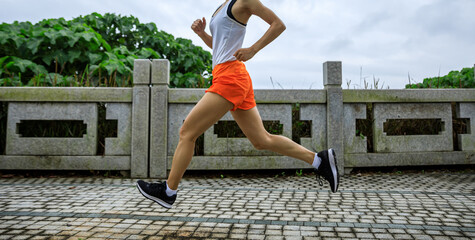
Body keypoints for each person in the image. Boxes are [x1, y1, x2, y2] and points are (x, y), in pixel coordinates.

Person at [137, 0, 339, 209]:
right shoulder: (222, 6)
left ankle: (168, 192)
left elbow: (278, 24)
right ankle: (319, 161)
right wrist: (201, 34)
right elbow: (220, 47)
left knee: (187, 132)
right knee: (261, 140)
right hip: (230, 77)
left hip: (231, 78)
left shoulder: (245, 1)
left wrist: (252, 49)